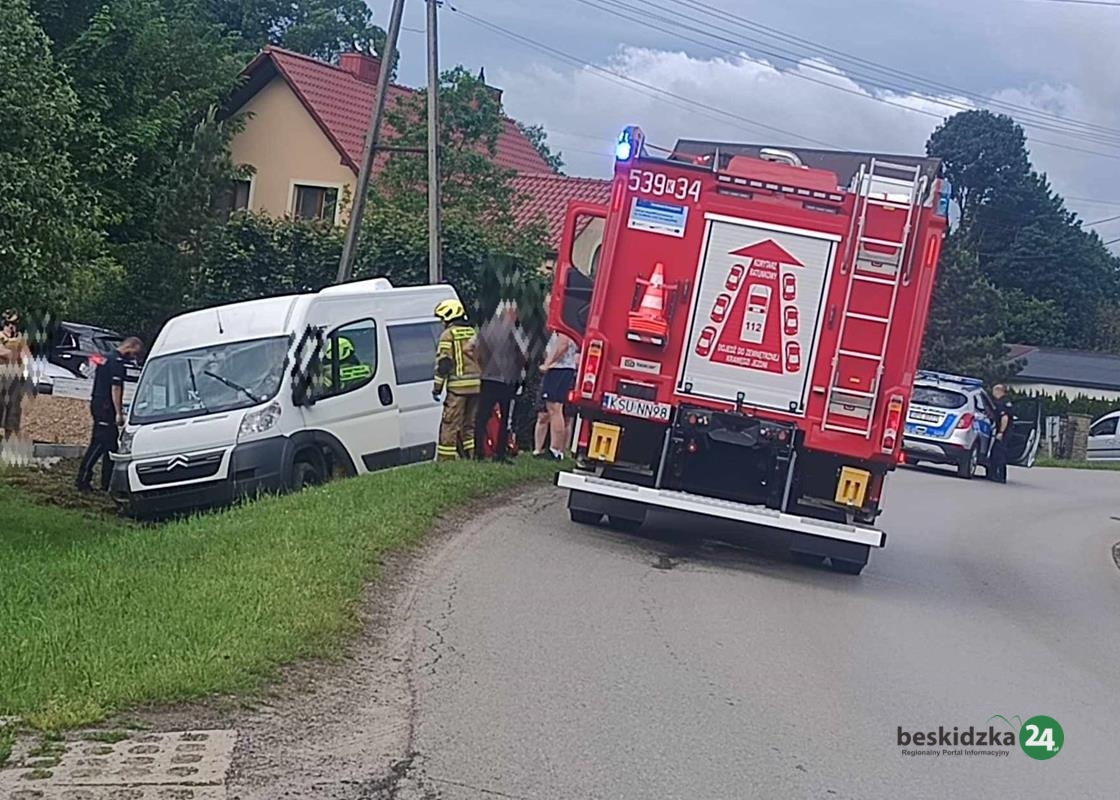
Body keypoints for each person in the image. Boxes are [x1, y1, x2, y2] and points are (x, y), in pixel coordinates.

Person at [77, 336, 144, 492]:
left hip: (98, 403)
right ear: (131, 346)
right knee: (99, 443)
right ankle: (83, 478)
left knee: (111, 446)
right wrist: (119, 413)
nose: (134, 357)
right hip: (106, 407)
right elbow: (116, 388)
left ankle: (107, 483)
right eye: (135, 353)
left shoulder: (106, 357)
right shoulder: (117, 362)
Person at [474, 303, 525, 462]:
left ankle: (478, 453)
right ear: (509, 313)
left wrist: (481, 366)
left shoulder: (486, 330)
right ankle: (500, 454)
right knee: (504, 418)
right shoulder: (514, 331)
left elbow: (471, 348)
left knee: (481, 417)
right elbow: (524, 354)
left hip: (487, 378)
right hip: (506, 379)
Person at [432, 299, 481, 460]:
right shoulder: (473, 332)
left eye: (442, 319)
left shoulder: (448, 335)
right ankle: (473, 457)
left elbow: (444, 364)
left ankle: (446, 461)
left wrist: (437, 388)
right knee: (470, 425)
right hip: (477, 386)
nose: (442, 322)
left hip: (458, 388)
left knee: (450, 424)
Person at [534, 330, 579, 460]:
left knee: (554, 408)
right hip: (565, 369)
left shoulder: (564, 324)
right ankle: (557, 450)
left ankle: (555, 449)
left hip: (559, 369)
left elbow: (563, 344)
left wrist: (548, 363)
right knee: (555, 408)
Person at [0, 310, 31, 445]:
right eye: (9, 323)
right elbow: (5, 353)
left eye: (14, 324)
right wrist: (12, 352)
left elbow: (26, 356)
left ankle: (8, 440)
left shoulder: (20, 340)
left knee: (13, 409)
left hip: (15, 377)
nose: (11, 326)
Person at [988, 384, 1013, 484]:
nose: (993, 393)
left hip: (1003, 432)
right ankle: (995, 475)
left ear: (999, 391)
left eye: (994, 391)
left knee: (999, 453)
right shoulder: (1006, 401)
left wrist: (1001, 432)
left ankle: (1000, 476)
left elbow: (1004, 418)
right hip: (1005, 432)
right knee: (997, 452)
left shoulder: (1002, 402)